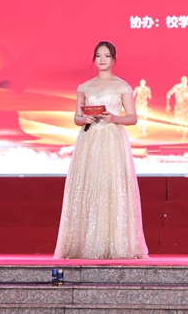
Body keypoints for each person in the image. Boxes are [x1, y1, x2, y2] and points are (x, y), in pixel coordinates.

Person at [54, 41, 149, 259]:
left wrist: (114, 118)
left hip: (112, 140)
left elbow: (132, 118)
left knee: (111, 186)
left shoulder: (122, 86)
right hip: (89, 140)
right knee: (89, 186)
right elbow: (76, 118)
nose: (102, 60)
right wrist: (84, 119)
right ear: (94, 59)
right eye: (98, 56)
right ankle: (86, 243)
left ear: (113, 60)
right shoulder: (84, 87)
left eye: (106, 56)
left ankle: (115, 243)